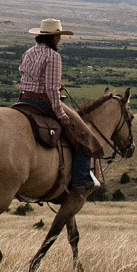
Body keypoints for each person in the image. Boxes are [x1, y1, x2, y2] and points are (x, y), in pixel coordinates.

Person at [18, 18, 101, 191]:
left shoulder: (28, 52)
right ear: (54, 37)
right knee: (83, 135)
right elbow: (50, 89)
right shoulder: (53, 56)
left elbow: (29, 78)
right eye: (59, 37)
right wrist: (61, 115)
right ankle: (81, 180)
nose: (60, 40)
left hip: (24, 100)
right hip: (43, 103)